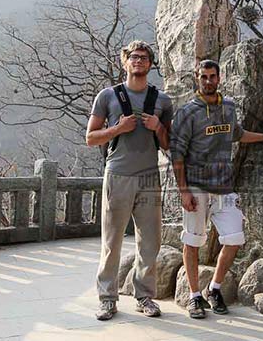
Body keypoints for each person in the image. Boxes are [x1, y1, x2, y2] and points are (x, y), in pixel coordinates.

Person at [171, 59, 263, 319]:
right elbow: (176, 155)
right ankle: (194, 296)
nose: (209, 81)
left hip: (224, 187)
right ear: (197, 78)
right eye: (204, 77)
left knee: (235, 238)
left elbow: (237, 133)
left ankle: (214, 289)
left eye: (213, 76)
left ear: (219, 78)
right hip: (196, 186)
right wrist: (183, 191)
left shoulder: (229, 106)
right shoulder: (187, 112)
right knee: (192, 241)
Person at [86, 40, 173, 320]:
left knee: (150, 241)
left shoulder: (162, 100)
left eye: (144, 57)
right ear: (125, 62)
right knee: (112, 241)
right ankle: (107, 298)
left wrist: (158, 126)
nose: (138, 61)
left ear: (150, 64)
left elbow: (170, 144)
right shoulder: (108, 96)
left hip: (149, 175)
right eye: (133, 57)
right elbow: (90, 137)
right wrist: (117, 128)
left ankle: (145, 296)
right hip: (118, 174)